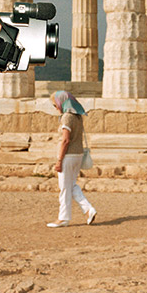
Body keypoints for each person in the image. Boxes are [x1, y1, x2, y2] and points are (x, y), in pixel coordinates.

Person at [49, 90, 97, 227]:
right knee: (71, 186)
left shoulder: (67, 117)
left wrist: (59, 160)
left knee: (64, 188)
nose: (56, 108)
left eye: (55, 104)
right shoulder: (78, 116)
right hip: (78, 155)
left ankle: (63, 218)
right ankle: (88, 210)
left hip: (68, 156)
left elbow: (65, 140)